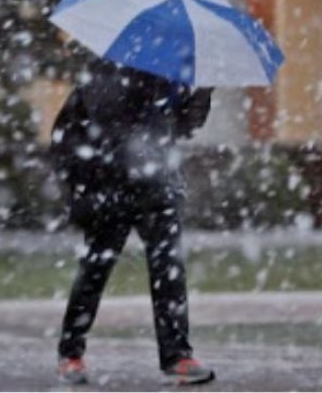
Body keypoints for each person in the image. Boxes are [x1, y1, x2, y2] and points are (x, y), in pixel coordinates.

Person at [50, 56, 216, 386]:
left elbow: (181, 126)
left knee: (169, 267)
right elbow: (113, 124)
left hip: (156, 185)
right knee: (96, 267)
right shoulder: (111, 69)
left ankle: (177, 356)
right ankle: (71, 352)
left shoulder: (171, 75)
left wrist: (202, 93)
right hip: (111, 184)